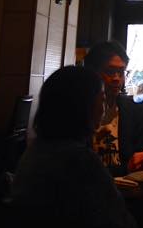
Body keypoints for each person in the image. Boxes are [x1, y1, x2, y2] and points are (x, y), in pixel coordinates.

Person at [11, 66, 136, 228]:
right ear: (84, 105)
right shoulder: (80, 160)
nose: (104, 108)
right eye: (102, 100)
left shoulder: (37, 150)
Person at [84, 41, 143, 175]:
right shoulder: (79, 109)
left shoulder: (133, 110)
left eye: (121, 72)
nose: (117, 78)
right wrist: (126, 168)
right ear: (92, 72)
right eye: (110, 71)